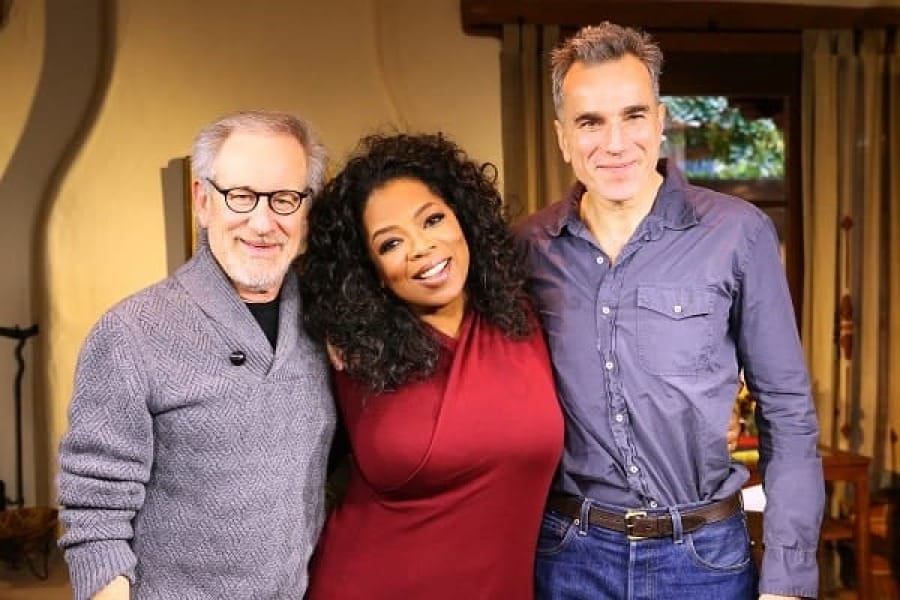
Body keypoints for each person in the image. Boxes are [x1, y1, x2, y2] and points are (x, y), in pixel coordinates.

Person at [517, 23, 825, 600]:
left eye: (633, 116)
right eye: (590, 122)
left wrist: (786, 580)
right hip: (568, 557)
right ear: (563, 138)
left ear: (660, 122)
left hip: (705, 558)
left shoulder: (739, 235)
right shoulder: (526, 249)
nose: (614, 143)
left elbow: (787, 412)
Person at [56, 110, 336, 600]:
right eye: (241, 196)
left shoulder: (325, 324)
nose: (263, 221)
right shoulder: (131, 333)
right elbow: (95, 513)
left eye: (285, 199)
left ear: (306, 211)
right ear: (202, 200)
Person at [299, 133, 564, 599]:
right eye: (390, 244)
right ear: (369, 270)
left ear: (464, 218)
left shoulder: (524, 315)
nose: (421, 248)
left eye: (433, 220)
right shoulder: (353, 349)